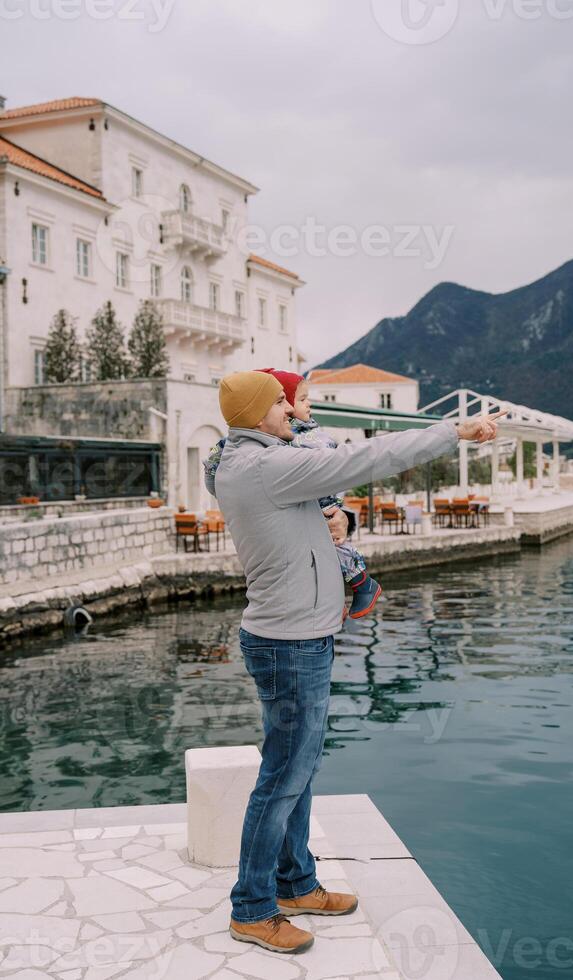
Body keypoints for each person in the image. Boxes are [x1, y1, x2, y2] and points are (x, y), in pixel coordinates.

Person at [210, 369, 506, 955]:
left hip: (301, 635)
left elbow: (320, 515)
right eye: (281, 404)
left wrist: (340, 524)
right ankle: (252, 907)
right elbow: (365, 458)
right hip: (288, 643)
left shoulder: (260, 462)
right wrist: (455, 433)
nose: (291, 412)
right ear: (259, 412)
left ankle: (295, 883)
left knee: (299, 769)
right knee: (283, 776)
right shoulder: (266, 467)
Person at [203, 366, 382, 619]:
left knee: (328, 546)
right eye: (300, 399)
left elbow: (334, 464)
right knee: (313, 554)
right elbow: (215, 462)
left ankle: (359, 583)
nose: (308, 405)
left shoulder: (310, 436)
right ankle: (344, 595)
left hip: (319, 501)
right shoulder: (263, 442)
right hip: (301, 506)